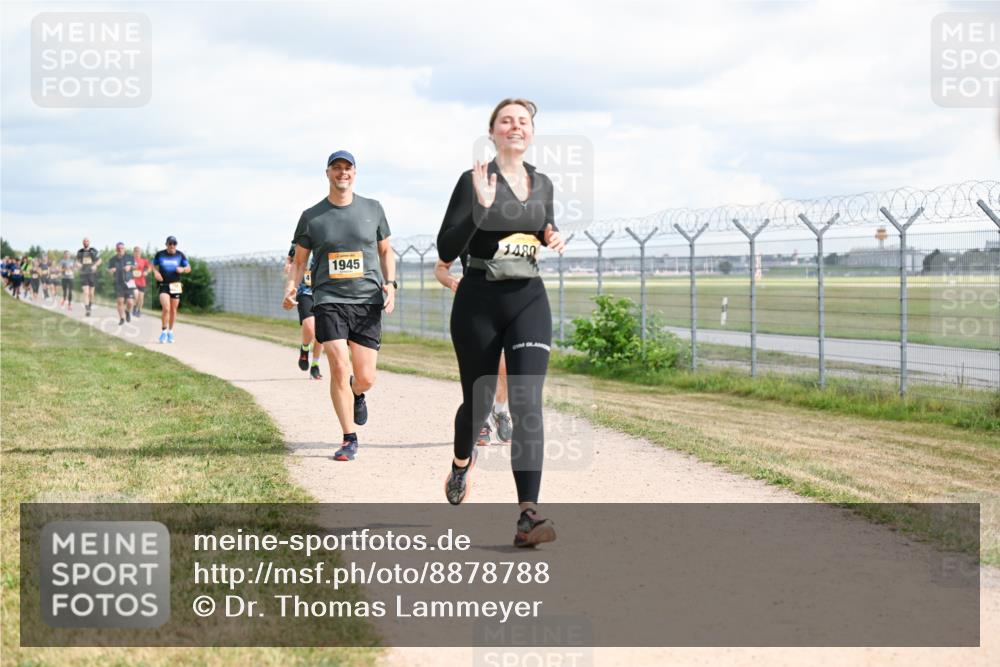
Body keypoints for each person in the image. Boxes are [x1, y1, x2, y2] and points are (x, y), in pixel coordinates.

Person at [436, 98, 566, 547]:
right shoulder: (473, 181)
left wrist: (551, 235)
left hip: (529, 298)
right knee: (478, 402)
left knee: (528, 403)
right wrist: (480, 208)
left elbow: (543, 227)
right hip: (478, 301)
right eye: (506, 120)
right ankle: (460, 463)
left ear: (531, 132)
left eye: (523, 121)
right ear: (492, 131)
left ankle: (527, 515)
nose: (516, 126)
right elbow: (446, 247)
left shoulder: (543, 183)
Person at [284, 150, 396, 462]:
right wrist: (292, 287)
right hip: (329, 299)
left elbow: (386, 251)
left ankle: (357, 393)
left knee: (365, 377)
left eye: (347, 168)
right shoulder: (312, 216)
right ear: (328, 173)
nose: (342, 173)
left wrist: (392, 283)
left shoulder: (373, 209)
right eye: (336, 168)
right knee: (338, 365)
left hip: (367, 300)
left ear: (355, 173)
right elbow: (300, 259)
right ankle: (349, 437)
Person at [434, 257, 513, 446]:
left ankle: (500, 411)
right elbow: (440, 268)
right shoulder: (465, 229)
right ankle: (481, 418)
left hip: (508, 302)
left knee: (507, 366)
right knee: (482, 365)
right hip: (476, 305)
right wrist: (452, 281)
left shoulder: (513, 230)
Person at [284, 242, 324, 380]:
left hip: (324, 291)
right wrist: (288, 264)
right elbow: (291, 257)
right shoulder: (302, 238)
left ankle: (315, 364)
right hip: (304, 290)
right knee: (310, 326)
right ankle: (305, 348)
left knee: (322, 332)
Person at [152, 236, 191, 343]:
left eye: (174, 243)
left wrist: (182, 269)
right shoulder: (160, 254)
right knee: (166, 308)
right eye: (170, 243)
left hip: (175, 285)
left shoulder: (180, 255)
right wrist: (155, 272)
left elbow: (188, 268)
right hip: (163, 284)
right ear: (166, 244)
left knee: (173, 310)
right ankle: (164, 332)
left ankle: (170, 332)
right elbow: (153, 265)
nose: (172, 245)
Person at [107, 242, 136, 325]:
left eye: (122, 248)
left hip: (129, 281)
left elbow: (135, 266)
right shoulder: (112, 259)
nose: (120, 249)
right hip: (118, 282)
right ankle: (122, 318)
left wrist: (130, 267)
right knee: (120, 301)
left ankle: (127, 311)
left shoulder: (130, 257)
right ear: (116, 249)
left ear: (124, 248)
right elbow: (108, 269)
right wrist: (110, 271)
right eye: (118, 248)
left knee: (130, 302)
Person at [76, 238, 102, 316]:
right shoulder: (80, 252)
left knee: (91, 294)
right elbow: (77, 261)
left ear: (89, 242)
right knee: (86, 293)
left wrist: (95, 265)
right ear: (82, 243)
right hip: (83, 273)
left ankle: (90, 305)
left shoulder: (93, 250)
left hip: (92, 274)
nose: (85, 242)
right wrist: (78, 264)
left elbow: (100, 260)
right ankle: (87, 309)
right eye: (84, 241)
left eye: (87, 241)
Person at [131, 246, 151, 317]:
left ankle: (138, 311)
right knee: (136, 295)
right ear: (133, 252)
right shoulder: (130, 260)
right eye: (136, 251)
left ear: (140, 252)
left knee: (141, 298)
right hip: (133, 281)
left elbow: (149, 268)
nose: (137, 252)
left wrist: (146, 272)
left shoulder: (144, 261)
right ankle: (134, 309)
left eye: (138, 251)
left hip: (142, 281)